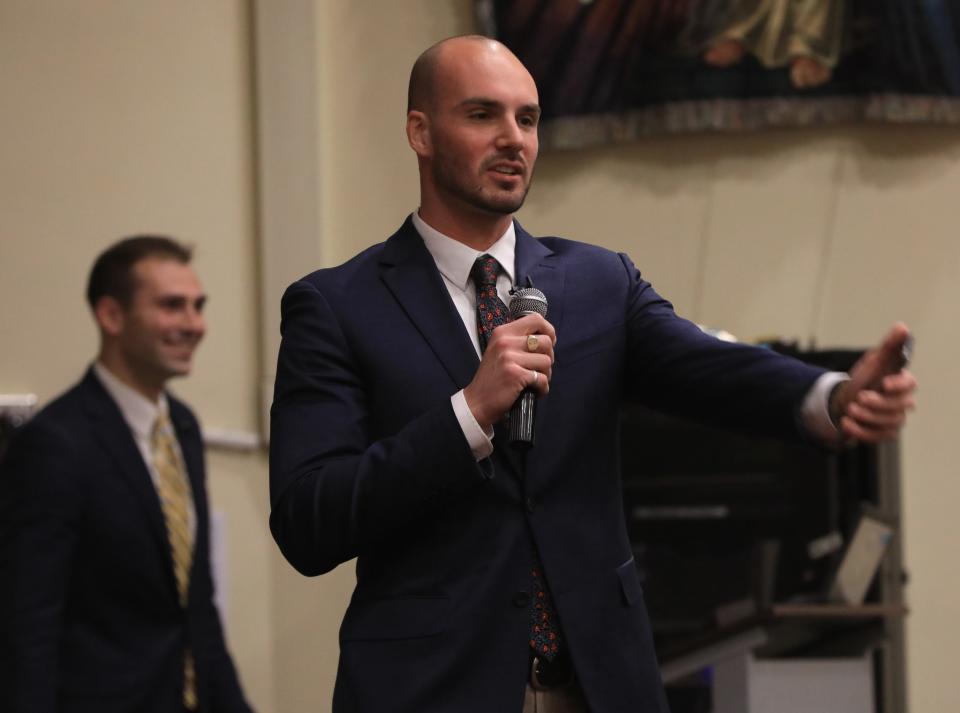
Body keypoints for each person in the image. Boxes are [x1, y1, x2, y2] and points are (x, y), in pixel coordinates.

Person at [268, 35, 916, 713]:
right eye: (483, 115)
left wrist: (832, 394)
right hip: (432, 687)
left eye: (528, 118)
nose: (513, 139)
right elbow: (309, 520)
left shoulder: (599, 282)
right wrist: (467, 414)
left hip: (600, 686)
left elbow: (711, 366)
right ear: (420, 132)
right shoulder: (339, 305)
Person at [0, 236, 255, 713]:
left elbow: (196, 605)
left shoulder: (182, 426)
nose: (195, 324)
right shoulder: (55, 444)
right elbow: (27, 626)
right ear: (112, 316)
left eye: (198, 306)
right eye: (172, 306)